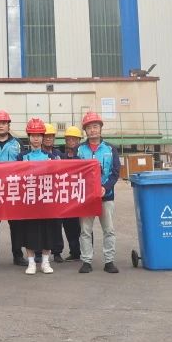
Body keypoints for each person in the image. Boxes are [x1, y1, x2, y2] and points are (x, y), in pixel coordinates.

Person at [77, 111, 121, 274]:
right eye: (89, 127)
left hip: (106, 197)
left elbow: (115, 172)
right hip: (86, 197)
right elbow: (75, 172)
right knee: (85, 231)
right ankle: (86, 261)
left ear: (101, 128)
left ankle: (109, 261)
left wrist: (105, 187)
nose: (92, 130)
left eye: (95, 126)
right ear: (85, 131)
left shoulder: (110, 149)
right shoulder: (80, 150)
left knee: (108, 230)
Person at [18, 118, 60, 275]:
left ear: (43, 137)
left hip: (46, 200)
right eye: (33, 135)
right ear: (28, 137)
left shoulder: (51, 157)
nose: (36, 138)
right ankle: (31, 263)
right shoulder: (22, 157)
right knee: (29, 232)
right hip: (28, 200)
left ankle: (45, 262)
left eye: (39, 135)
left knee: (47, 232)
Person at [0, 110, 24, 267]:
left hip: (13, 188)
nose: (1, 126)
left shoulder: (17, 144)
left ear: (8, 125)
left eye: (4, 123)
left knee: (16, 225)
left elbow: (24, 166)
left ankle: (18, 255)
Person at [53, 125, 83, 262]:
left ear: (79, 140)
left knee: (80, 227)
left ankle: (82, 251)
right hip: (63, 195)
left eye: (74, 139)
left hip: (78, 195)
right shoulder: (61, 156)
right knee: (66, 226)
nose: (71, 141)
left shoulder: (81, 156)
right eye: (68, 139)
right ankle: (71, 252)